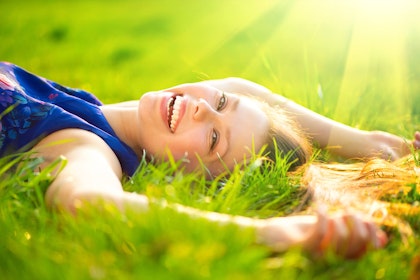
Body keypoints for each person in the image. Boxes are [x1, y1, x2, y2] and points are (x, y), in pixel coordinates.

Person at [0, 61, 418, 259]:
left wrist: (277, 234)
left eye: (215, 138)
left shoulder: (81, 145)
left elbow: (85, 201)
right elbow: (244, 89)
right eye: (220, 101)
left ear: (182, 177)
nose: (203, 108)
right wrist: (370, 143)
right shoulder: (101, 112)